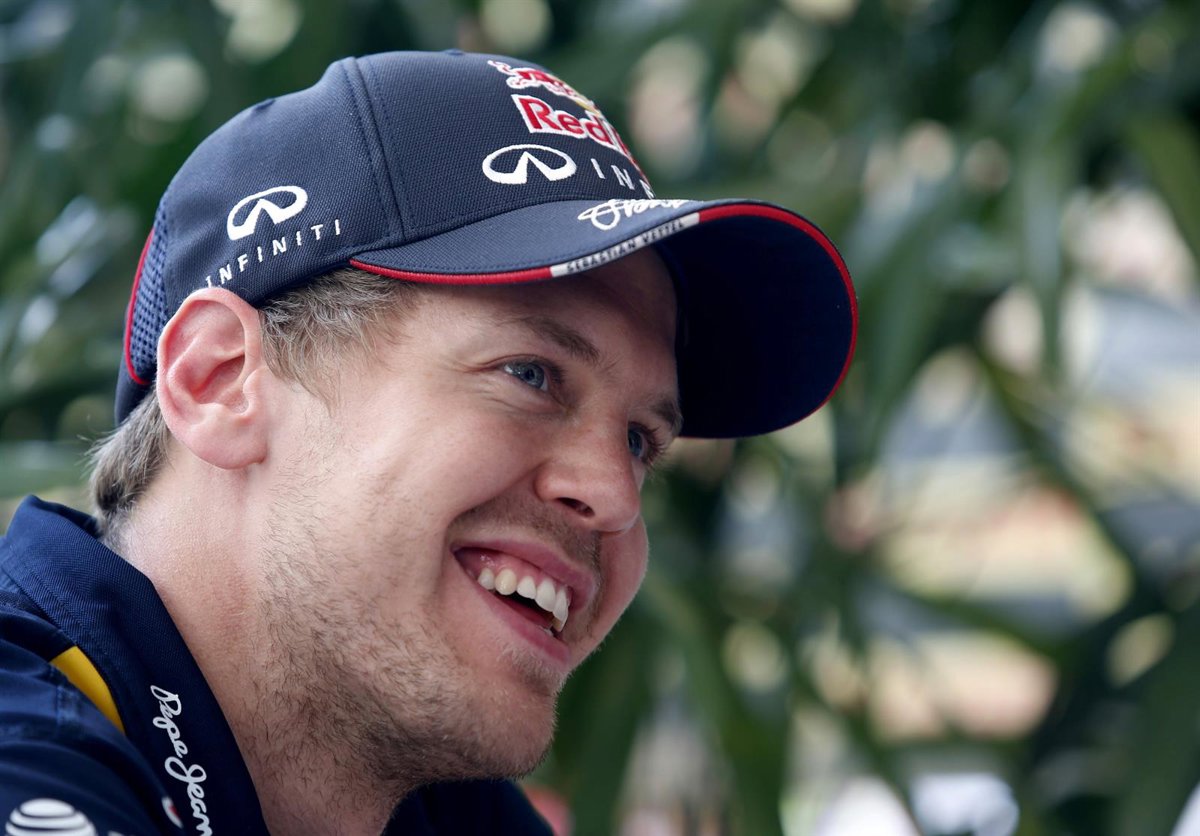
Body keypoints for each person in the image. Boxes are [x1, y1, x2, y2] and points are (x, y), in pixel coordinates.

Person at [0, 49, 856, 834]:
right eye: (531, 374)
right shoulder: (27, 754)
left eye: (639, 440)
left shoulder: (450, 814)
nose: (614, 496)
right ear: (220, 382)